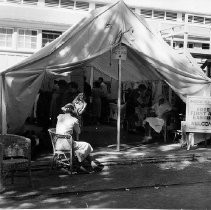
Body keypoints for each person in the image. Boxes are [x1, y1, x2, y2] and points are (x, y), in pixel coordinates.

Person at [56, 103, 103, 173]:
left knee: (78, 145)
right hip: (68, 145)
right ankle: (91, 163)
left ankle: (89, 163)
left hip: (58, 143)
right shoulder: (74, 120)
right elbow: (78, 131)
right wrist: (77, 122)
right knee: (86, 145)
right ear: (72, 111)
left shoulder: (59, 117)